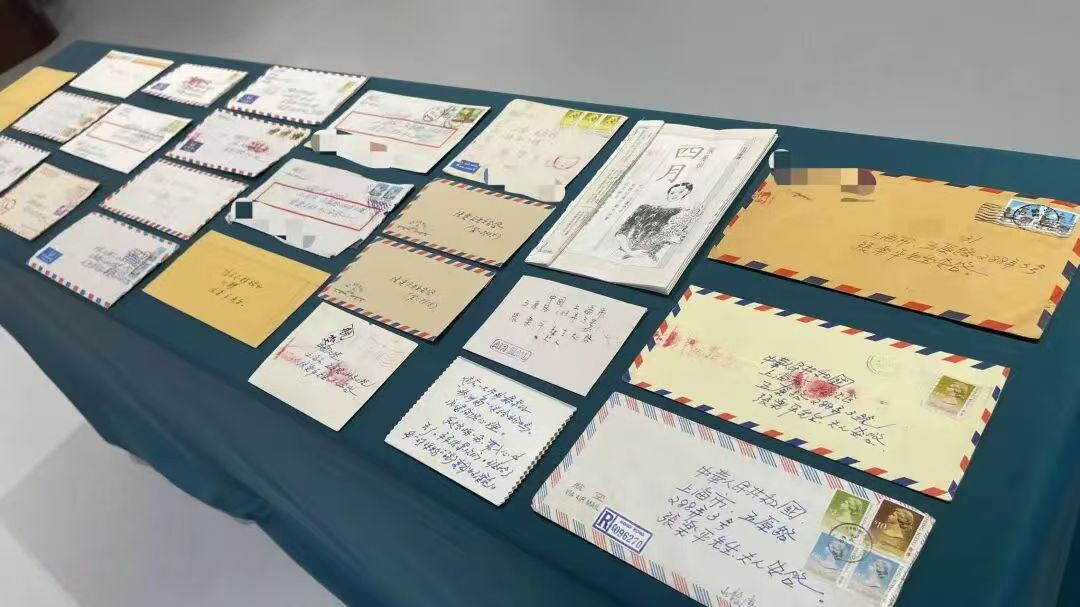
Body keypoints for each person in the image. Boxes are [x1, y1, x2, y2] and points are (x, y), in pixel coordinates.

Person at [613, 182, 697, 262]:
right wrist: (629, 251)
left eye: (681, 192)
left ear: (687, 195)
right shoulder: (644, 208)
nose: (675, 195)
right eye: (672, 192)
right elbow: (622, 231)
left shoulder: (682, 215)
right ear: (668, 194)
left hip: (651, 258)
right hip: (624, 253)